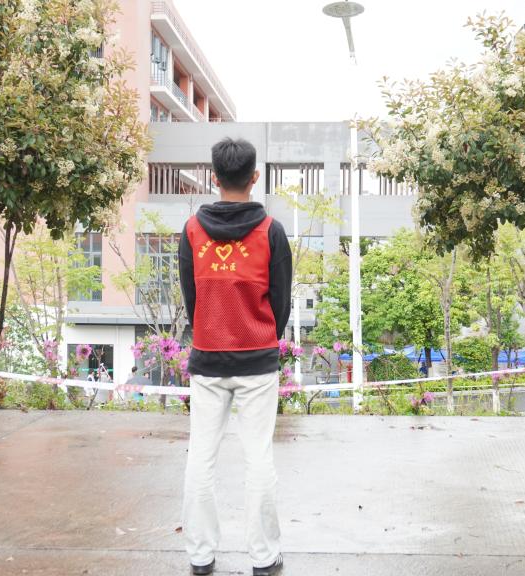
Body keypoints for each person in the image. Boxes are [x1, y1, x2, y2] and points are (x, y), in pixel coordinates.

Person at [178, 138, 292, 576]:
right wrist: (264, 336)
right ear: (254, 177)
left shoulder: (193, 230)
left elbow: (191, 296)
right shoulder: (271, 231)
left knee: (200, 456)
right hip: (257, 361)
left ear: (214, 178)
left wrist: (209, 328)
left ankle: (200, 555)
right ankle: (264, 557)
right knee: (258, 456)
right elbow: (280, 300)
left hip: (208, 359)